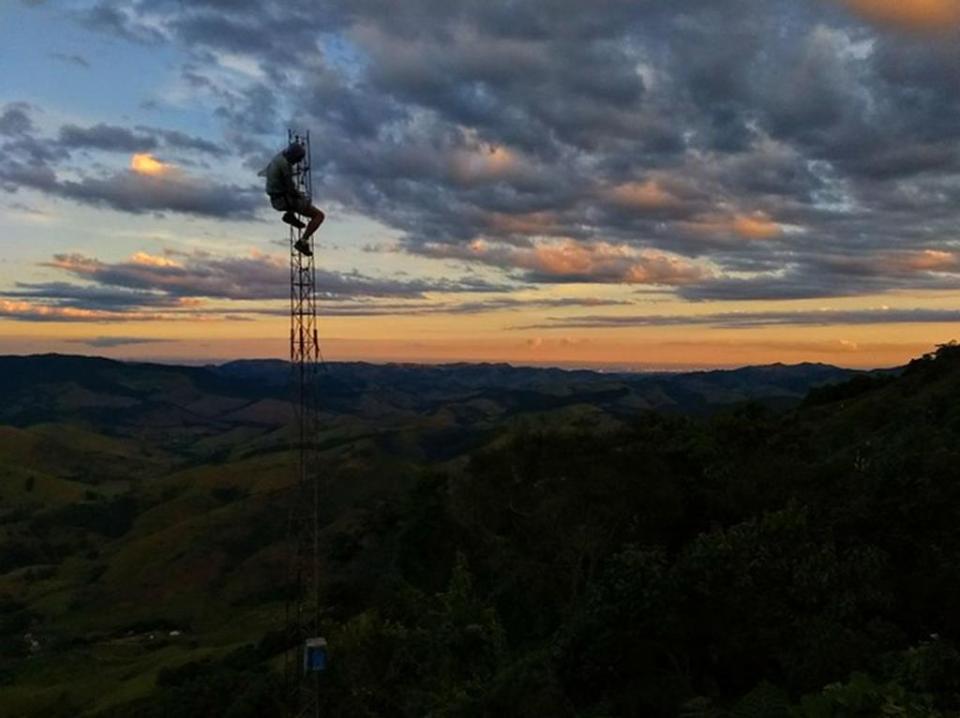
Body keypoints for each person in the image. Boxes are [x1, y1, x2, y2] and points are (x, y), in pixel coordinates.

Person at [260, 143, 325, 256]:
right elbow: (290, 189)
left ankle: (290, 214)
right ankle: (302, 242)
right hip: (283, 200)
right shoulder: (285, 166)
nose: (297, 163)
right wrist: (302, 197)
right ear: (294, 157)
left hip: (276, 198)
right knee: (318, 215)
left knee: (300, 201)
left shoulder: (279, 158)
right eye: (297, 160)